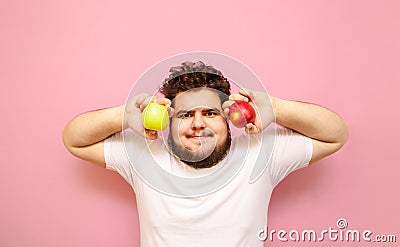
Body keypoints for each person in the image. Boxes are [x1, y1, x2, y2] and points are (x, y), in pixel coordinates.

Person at [62, 61, 348, 246]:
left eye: (210, 113)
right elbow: (74, 139)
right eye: (186, 114)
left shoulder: (259, 154)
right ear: (168, 122)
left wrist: (275, 109)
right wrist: (124, 116)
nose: (198, 124)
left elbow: (336, 134)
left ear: (228, 119)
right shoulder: (146, 157)